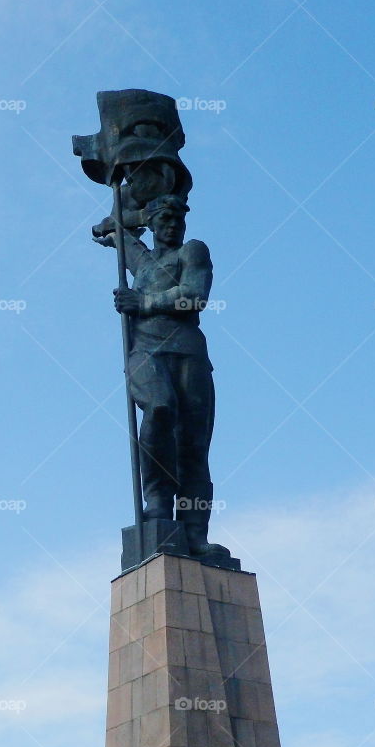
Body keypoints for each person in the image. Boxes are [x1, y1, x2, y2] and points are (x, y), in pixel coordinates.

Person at [95, 192, 227, 559]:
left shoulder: (192, 251)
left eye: (177, 220)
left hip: (187, 354)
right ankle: (157, 502)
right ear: (151, 224)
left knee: (192, 447)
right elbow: (115, 228)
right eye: (164, 219)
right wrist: (115, 217)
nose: (172, 226)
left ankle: (194, 533)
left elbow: (194, 296)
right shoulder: (144, 262)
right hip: (145, 353)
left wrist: (144, 302)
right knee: (159, 407)